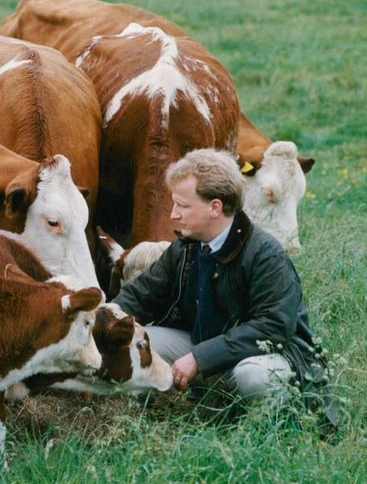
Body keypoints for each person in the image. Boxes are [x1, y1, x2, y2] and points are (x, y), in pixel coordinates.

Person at [112, 148, 338, 436]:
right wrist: (101, 319)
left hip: (268, 357)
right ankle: (199, 401)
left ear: (215, 207)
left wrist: (200, 358)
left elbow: (274, 326)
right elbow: (140, 295)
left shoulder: (266, 254)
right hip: (206, 345)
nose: (173, 214)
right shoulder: (186, 246)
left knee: (253, 378)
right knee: (132, 339)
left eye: (182, 206)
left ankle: (273, 428)